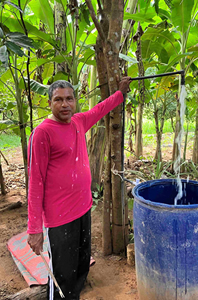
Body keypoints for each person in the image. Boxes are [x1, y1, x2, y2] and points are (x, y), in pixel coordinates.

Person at [27, 77, 131, 300]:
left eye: (69, 99)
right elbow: (35, 183)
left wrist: (120, 94)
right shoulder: (42, 133)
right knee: (62, 275)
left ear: (75, 101)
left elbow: (101, 109)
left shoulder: (78, 122)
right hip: (59, 218)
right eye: (58, 100)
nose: (65, 104)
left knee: (81, 263)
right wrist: (34, 229)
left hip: (83, 209)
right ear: (49, 103)